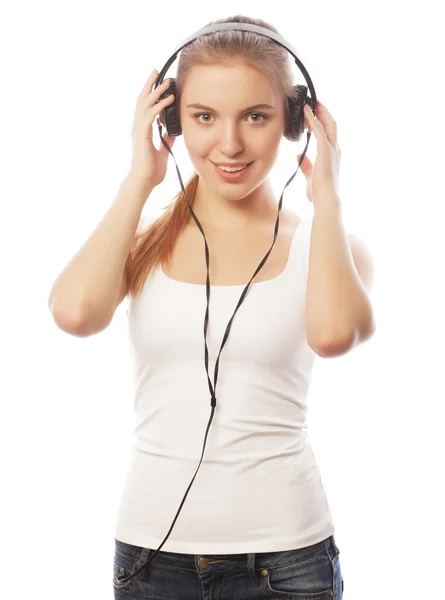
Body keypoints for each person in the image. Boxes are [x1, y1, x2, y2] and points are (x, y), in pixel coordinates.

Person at [48, 14, 375, 600]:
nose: (229, 144)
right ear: (171, 119)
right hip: (150, 557)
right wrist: (138, 179)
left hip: (287, 560)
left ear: (297, 123)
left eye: (256, 116)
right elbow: (74, 314)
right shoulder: (143, 241)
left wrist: (329, 198)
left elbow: (333, 335)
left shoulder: (329, 247)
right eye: (203, 116)